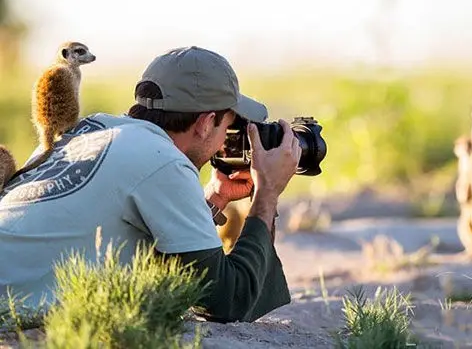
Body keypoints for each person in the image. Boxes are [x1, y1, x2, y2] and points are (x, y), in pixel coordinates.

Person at [0, 46, 301, 322]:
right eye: (228, 125)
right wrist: (267, 193)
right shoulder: (164, 160)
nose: (225, 140)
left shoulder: (87, 130)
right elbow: (226, 301)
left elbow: (158, 251)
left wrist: (216, 197)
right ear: (206, 122)